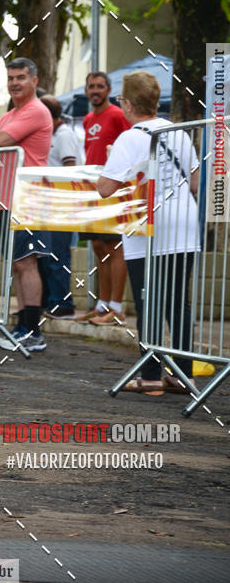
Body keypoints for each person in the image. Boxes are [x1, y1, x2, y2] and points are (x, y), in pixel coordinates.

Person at [97, 71, 199, 393]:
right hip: (183, 224)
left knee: (148, 301)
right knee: (177, 303)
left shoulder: (130, 137)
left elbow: (104, 188)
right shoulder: (179, 132)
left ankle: (151, 376)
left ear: (127, 103)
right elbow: (195, 182)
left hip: (148, 226)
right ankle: (184, 376)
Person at [0, 58, 53, 353]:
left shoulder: (36, 111)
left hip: (26, 199)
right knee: (17, 265)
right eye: (10, 78)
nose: (14, 83)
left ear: (34, 81)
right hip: (4, 200)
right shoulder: (11, 112)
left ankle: (33, 331)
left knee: (27, 263)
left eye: (20, 77)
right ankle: (23, 327)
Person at [79, 71, 131, 325]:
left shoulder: (119, 115)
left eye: (100, 86)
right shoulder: (88, 119)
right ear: (87, 90)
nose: (95, 90)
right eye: (91, 86)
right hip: (93, 190)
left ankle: (117, 308)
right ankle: (102, 305)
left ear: (109, 90)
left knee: (115, 247)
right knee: (98, 247)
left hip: (114, 190)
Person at [39, 95, 83, 317]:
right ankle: (51, 300)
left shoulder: (64, 135)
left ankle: (63, 304)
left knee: (58, 256)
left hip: (62, 205)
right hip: (49, 205)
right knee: (49, 256)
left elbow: (70, 168)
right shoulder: (54, 133)